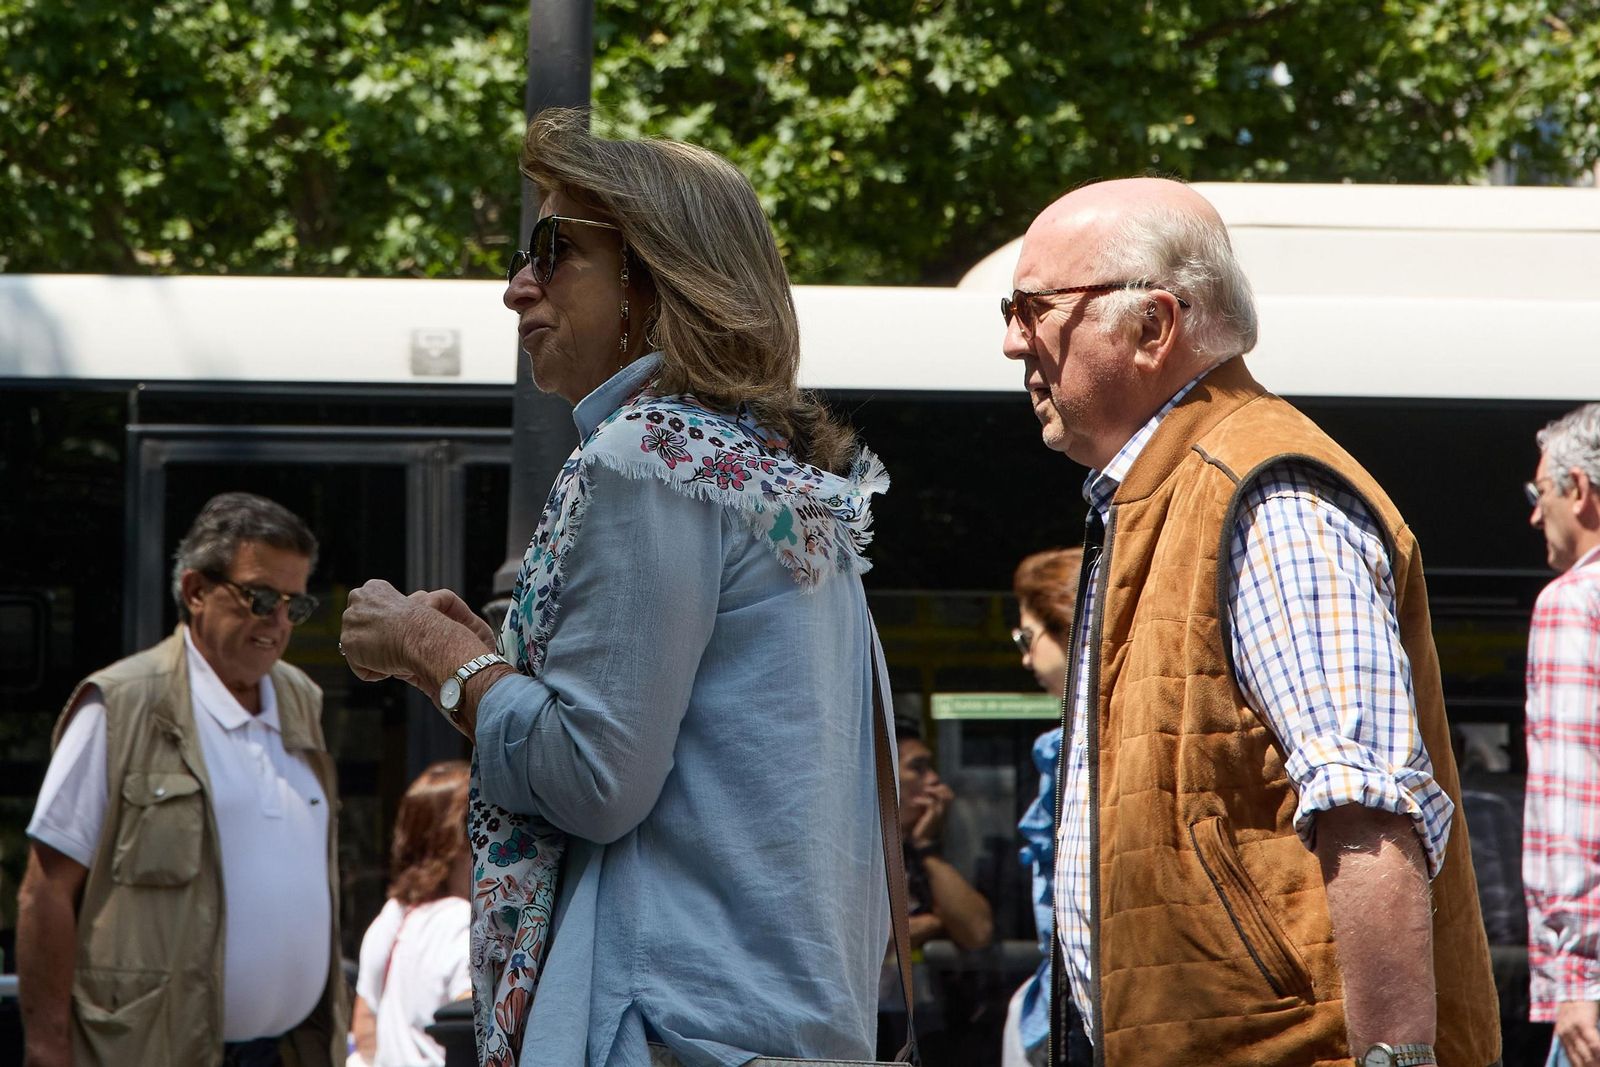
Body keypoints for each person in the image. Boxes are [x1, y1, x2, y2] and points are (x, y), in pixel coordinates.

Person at [337, 108, 893, 1067]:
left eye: (554, 251)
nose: (518, 287)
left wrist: (435, 654)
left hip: (664, 1027)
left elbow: (594, 781)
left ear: (653, 275)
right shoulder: (762, 468)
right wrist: (496, 664)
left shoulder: (645, 458)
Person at [1001, 178, 1500, 1067]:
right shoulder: (1165, 492)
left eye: (1033, 308)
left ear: (1153, 327)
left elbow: (1369, 807)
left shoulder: (1267, 493)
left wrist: (1395, 1061)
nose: (1012, 341)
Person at [16, 492, 346, 1067]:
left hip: (288, 1050)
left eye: (295, 605)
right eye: (262, 598)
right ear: (196, 591)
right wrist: (47, 1047)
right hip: (153, 1050)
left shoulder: (302, 700)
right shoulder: (121, 704)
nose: (278, 622)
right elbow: (44, 890)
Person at [1521, 402, 1600, 1067]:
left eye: (1538, 492)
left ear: (1578, 490)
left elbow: (1573, 800)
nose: (1533, 513)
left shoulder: (1573, 603)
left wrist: (1576, 978)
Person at [1001, 548, 1083, 1067]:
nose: (1025, 658)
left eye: (1027, 637)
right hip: (1060, 1002)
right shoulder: (1060, 748)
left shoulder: (1081, 749)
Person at [350, 760, 472, 1067]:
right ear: (458, 841)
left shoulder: (392, 916)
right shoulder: (462, 923)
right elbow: (468, 1031)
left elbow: (364, 1024)